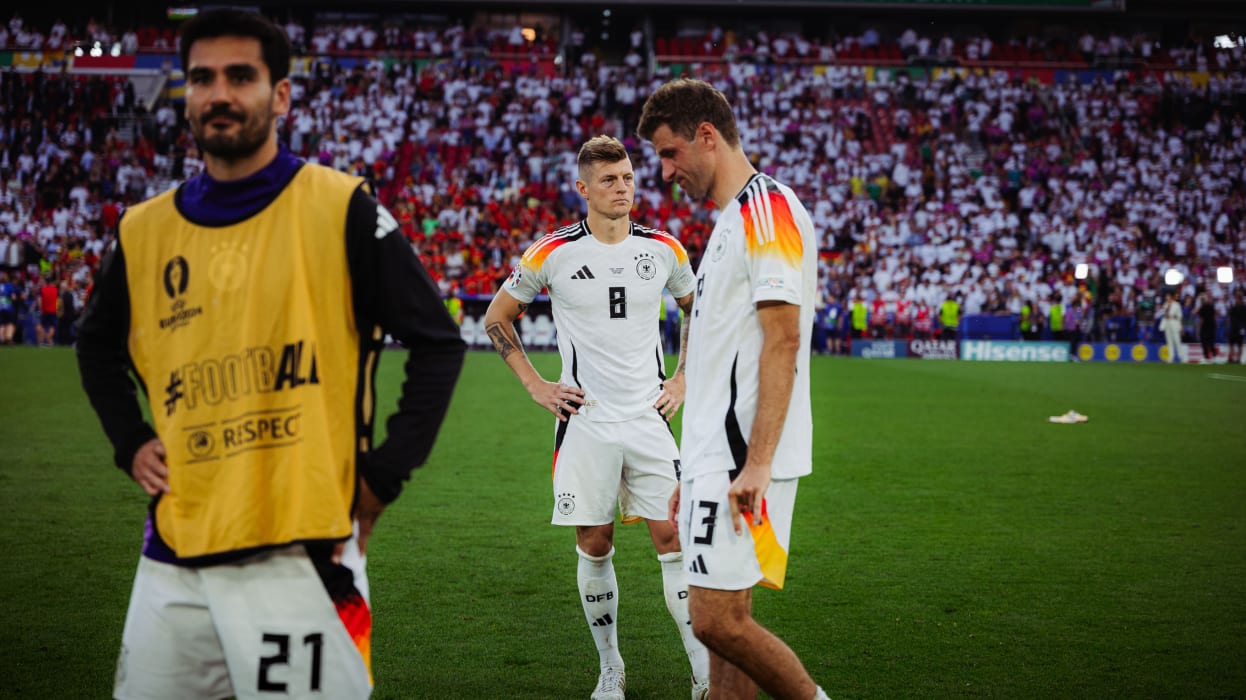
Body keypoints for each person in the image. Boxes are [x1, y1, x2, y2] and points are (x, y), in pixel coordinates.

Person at [75, 10, 465, 699]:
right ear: (186, 94)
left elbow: (437, 341)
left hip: (304, 553)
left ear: (280, 95)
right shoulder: (143, 228)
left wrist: (383, 478)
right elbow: (96, 342)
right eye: (202, 78)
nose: (219, 94)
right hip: (173, 554)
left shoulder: (338, 204)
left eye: (240, 76)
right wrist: (129, 440)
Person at [482, 135, 709, 700]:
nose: (622, 188)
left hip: (648, 417)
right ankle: (611, 668)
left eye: (628, 177)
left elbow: (696, 308)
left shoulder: (664, 248)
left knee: (672, 538)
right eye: (609, 180)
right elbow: (497, 317)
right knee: (595, 541)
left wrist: (682, 378)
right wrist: (537, 385)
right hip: (586, 421)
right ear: (583, 188)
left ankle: (704, 673)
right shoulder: (551, 251)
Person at [638, 78, 830, 700]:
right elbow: (723, 358)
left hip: (742, 462)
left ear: (707, 136)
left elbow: (783, 340)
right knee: (726, 633)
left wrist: (758, 463)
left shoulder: (768, 212)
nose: (665, 173)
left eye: (669, 154)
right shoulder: (732, 218)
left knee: (714, 620)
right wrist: (691, 473)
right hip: (713, 463)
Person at [1159, 290, 1183, 364]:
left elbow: (1180, 316)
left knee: (1177, 340)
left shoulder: (1176, 305)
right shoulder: (1165, 305)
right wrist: (1164, 311)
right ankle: (1171, 357)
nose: (1167, 298)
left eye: (1168, 296)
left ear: (1171, 297)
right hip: (1167, 323)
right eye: (1166, 296)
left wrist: (1180, 326)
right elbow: (1161, 313)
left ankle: (1181, 357)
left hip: (1174, 322)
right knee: (1169, 341)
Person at [1195, 291, 1219, 362]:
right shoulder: (1211, 307)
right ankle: (1214, 357)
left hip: (1205, 327)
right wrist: (1215, 324)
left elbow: (1201, 319)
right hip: (1211, 326)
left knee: (1205, 342)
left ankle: (1206, 357)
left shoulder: (1202, 309)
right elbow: (1214, 316)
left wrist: (1199, 328)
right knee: (1211, 342)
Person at [1228, 290, 1245, 364]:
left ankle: (1238, 359)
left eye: (1237, 298)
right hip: (1235, 328)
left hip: (1239, 328)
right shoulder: (1234, 307)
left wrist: (1243, 327)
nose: (1236, 299)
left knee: (1239, 344)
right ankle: (1231, 358)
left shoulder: (1242, 308)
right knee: (1232, 343)